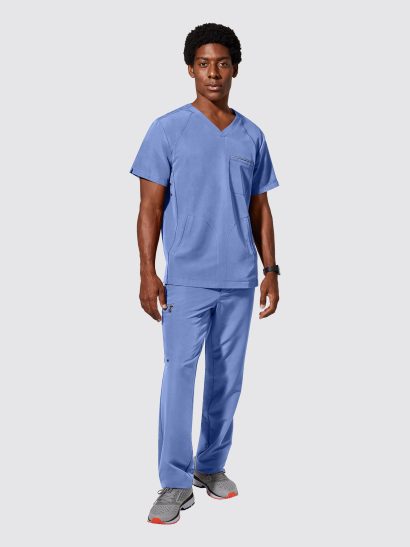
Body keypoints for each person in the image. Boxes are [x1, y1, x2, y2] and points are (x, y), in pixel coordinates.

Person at [129, 22, 281, 525]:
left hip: (239, 278)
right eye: (203, 63)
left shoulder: (252, 135)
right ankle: (174, 481)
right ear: (190, 69)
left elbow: (260, 209)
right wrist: (148, 272)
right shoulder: (167, 129)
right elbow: (150, 208)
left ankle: (210, 464)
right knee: (179, 373)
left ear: (235, 69)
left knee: (228, 377)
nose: (213, 72)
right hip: (186, 279)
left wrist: (271, 270)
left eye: (222, 63)